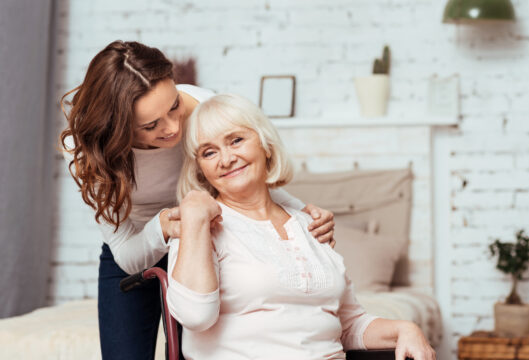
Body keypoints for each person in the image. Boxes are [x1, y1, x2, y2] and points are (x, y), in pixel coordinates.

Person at [59, 41, 336, 360]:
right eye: (151, 126)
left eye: (174, 105)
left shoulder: (206, 106)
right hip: (137, 245)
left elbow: (244, 175)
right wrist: (161, 229)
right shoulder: (93, 152)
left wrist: (302, 214)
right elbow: (126, 253)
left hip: (205, 241)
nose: (174, 127)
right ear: (117, 127)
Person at [167, 94, 436, 360]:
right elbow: (195, 315)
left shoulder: (310, 225)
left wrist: (406, 329)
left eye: (236, 140)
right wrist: (195, 219)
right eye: (209, 152)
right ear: (200, 169)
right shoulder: (197, 228)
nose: (225, 159)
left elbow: (349, 323)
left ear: (266, 144)